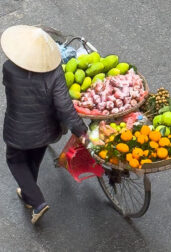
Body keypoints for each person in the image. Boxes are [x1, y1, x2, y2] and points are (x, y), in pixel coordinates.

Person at [1, 25, 88, 224]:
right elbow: (64, 106)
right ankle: (28, 195)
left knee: (15, 161)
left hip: (17, 129)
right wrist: (81, 130)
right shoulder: (55, 73)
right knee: (33, 158)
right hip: (45, 130)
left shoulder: (9, 69)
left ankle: (37, 202)